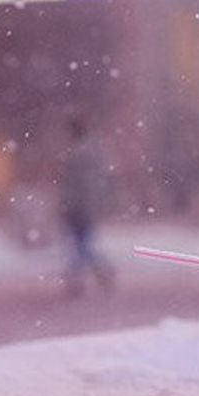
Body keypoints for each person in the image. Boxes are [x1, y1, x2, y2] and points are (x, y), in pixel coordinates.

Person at [57, 117, 114, 296]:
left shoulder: (79, 154)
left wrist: (73, 203)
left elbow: (80, 184)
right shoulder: (91, 152)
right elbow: (93, 183)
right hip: (83, 205)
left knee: (80, 244)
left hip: (78, 206)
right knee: (82, 243)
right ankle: (96, 272)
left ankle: (80, 276)